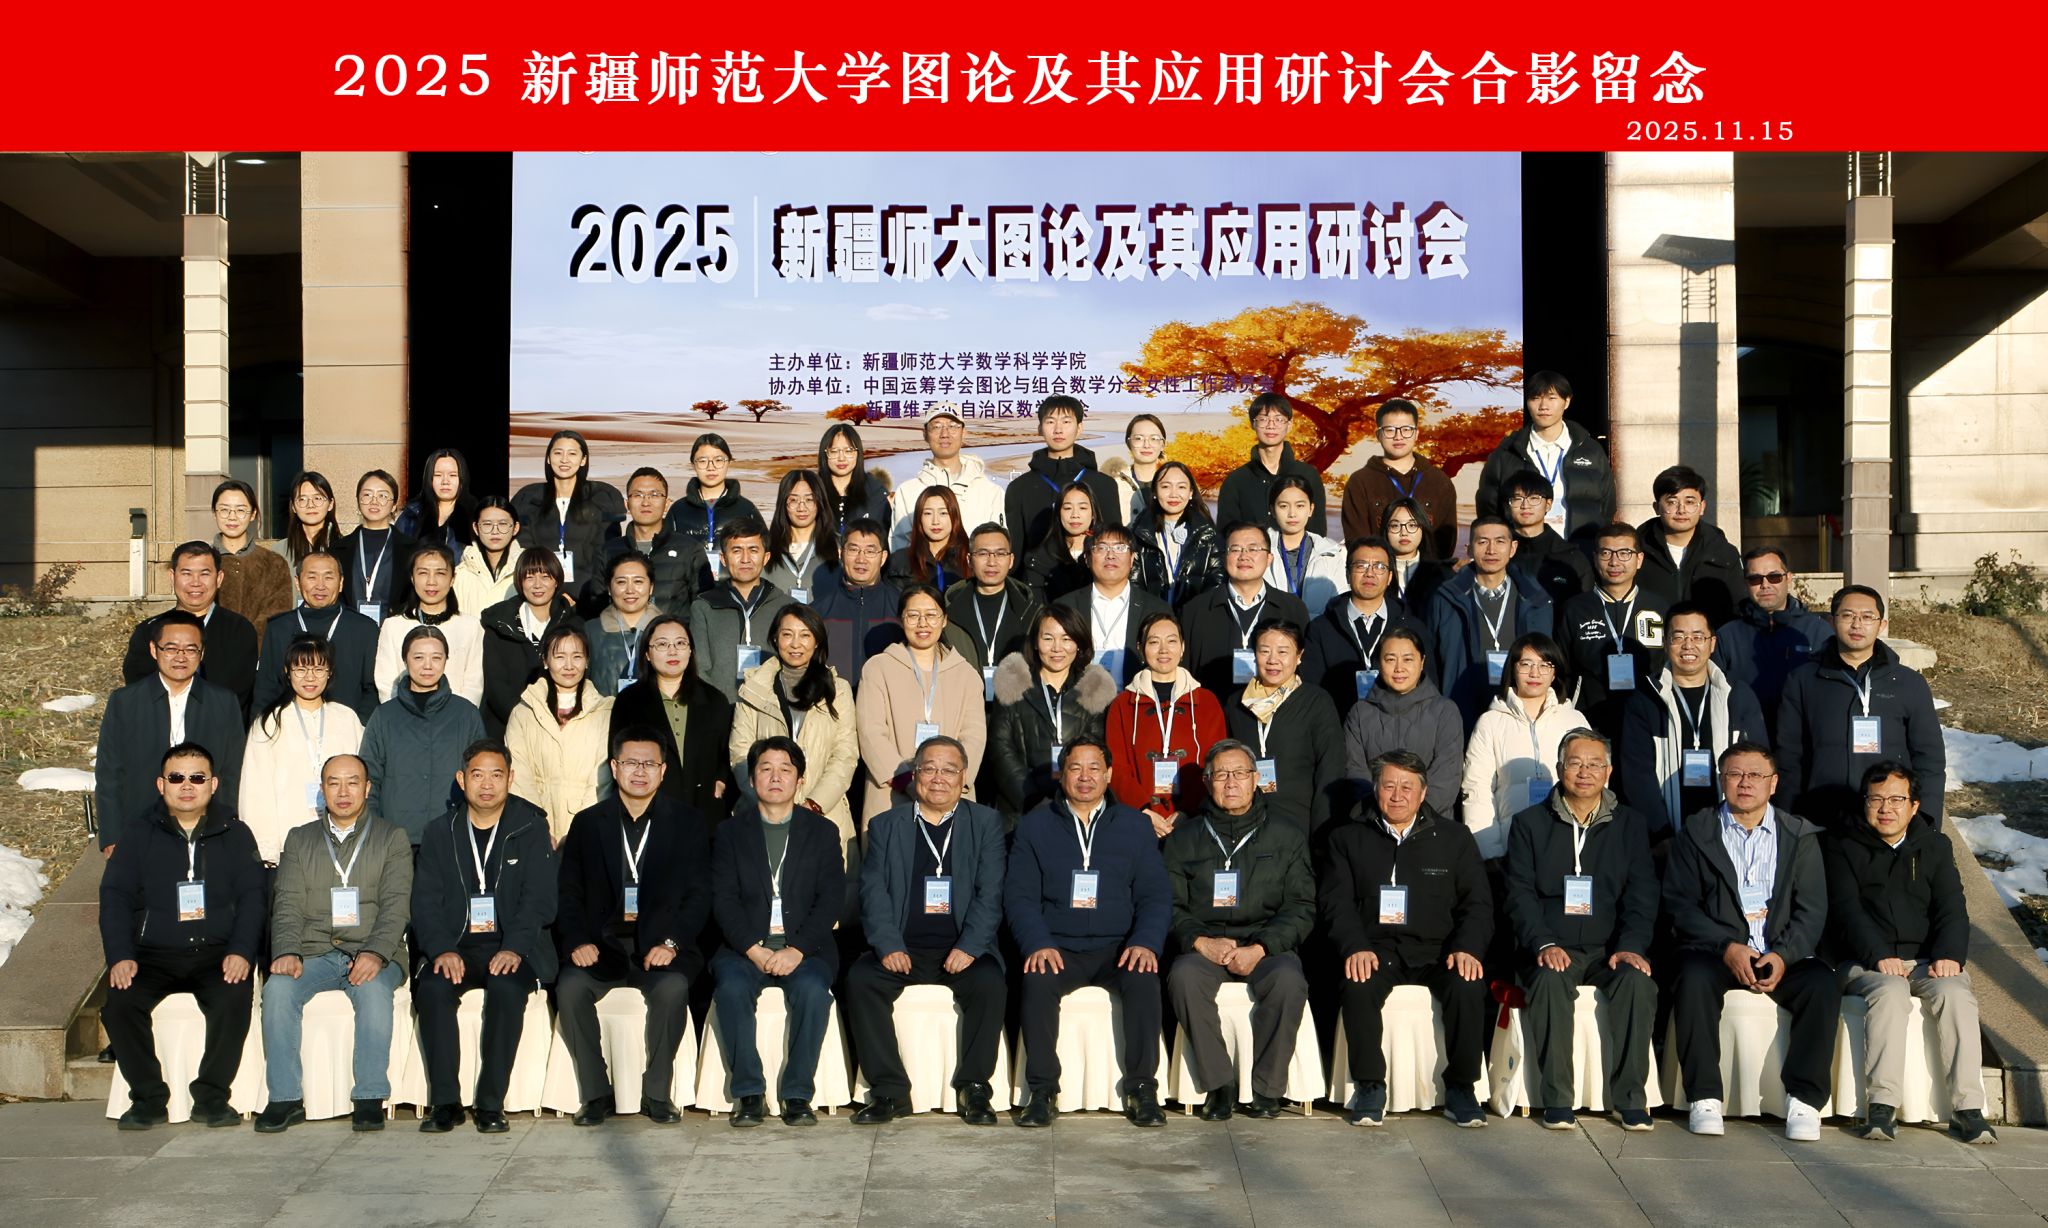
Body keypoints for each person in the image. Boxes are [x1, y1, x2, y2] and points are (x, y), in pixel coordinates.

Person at [1665, 742, 1838, 1140]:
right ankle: (1705, 1097)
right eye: (1735, 774)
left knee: (1822, 984)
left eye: (1755, 775)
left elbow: (1812, 910)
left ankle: (1804, 1100)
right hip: (1716, 952)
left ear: (1773, 783)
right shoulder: (1696, 833)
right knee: (1692, 978)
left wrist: (1784, 955)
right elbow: (1680, 905)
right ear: (1721, 780)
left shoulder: (1798, 835)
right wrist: (1727, 947)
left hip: (1779, 952)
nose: (1745, 783)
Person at [1824, 762, 1994, 1144]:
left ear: (1914, 805)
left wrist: (1948, 954)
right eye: (1876, 799)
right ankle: (1882, 1106)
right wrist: (1878, 954)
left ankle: (1968, 1109)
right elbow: (1846, 910)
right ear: (1865, 803)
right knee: (1891, 991)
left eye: (1896, 799)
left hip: (1925, 962)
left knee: (1955, 994)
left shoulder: (1935, 846)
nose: (1886, 808)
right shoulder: (1841, 845)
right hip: (1864, 962)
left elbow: (1952, 908)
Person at [1006, 737, 1171, 1128]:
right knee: (1037, 979)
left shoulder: (1135, 825)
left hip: (1119, 948)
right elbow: (1019, 896)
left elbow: (1155, 894)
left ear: (1109, 774)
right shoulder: (1034, 826)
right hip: (1059, 947)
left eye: (1094, 767)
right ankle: (1043, 1091)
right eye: (1075, 767)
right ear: (1061, 773)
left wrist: (1145, 942)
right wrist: (1038, 943)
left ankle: (1142, 1089)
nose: (1085, 776)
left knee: (1144, 978)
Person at [1322, 750, 1493, 1127]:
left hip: (1439, 951)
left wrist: (1466, 948)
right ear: (1376, 789)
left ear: (1423, 792)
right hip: (1377, 949)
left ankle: (1461, 1087)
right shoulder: (1347, 838)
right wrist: (1355, 946)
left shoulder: (1454, 838)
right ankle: (1370, 1085)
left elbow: (1478, 903)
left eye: (1407, 787)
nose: (1397, 795)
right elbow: (1336, 903)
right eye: (1389, 786)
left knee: (1468, 984)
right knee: (1358, 982)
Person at [98, 743, 264, 1130]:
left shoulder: (236, 833)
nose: (187, 785)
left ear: (213, 784)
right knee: (120, 1004)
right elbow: (115, 897)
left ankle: (211, 1097)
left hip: (215, 953)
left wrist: (241, 950)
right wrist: (121, 955)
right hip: (152, 955)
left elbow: (253, 898)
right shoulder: (138, 833)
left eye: (197, 777)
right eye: (176, 777)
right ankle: (148, 1098)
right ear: (161, 784)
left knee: (234, 997)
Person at [1502, 729, 1660, 1131]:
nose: (1584, 772)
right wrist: (1543, 943)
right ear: (1560, 769)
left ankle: (1630, 1100)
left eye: (1594, 764)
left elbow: (1642, 895)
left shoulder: (1630, 825)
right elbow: (1518, 894)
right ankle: (1557, 1100)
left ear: (1608, 771)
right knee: (1549, 980)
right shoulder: (1529, 824)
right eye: (1575, 763)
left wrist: (1631, 946)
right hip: (1552, 947)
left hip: (1610, 950)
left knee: (1637, 983)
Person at [846, 736, 1009, 1126]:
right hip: (904, 948)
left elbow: (991, 893)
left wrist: (970, 947)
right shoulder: (886, 826)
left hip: (962, 949)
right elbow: (873, 892)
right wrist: (888, 945)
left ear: (963, 778)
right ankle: (890, 1091)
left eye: (949, 770)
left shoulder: (985, 823)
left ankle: (974, 1087)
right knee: (861, 980)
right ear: (914, 775)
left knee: (990, 983)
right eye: (929, 768)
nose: (938, 778)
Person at [554, 727, 711, 1126]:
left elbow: (699, 895)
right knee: (570, 988)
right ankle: (596, 1094)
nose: (639, 772)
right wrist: (577, 941)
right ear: (614, 767)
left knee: (673, 989)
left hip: (661, 946)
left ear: (663, 770)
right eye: (630, 763)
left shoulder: (688, 822)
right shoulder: (588, 823)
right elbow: (568, 893)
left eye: (649, 764)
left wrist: (672, 942)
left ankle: (657, 1093)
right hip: (601, 946)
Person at [255, 753, 413, 1133]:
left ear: (367, 788)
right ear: (322, 790)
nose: (343, 792)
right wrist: (287, 951)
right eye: (334, 783)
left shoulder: (391, 837)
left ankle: (370, 1097)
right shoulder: (300, 839)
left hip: (375, 950)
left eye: (352, 782)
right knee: (278, 989)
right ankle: (285, 1098)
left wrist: (375, 952)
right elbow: (287, 903)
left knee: (373, 990)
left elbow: (396, 906)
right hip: (315, 951)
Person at [411, 740, 558, 1134]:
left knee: (507, 987)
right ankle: (446, 1103)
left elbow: (540, 900)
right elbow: (425, 903)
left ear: (511, 778)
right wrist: (441, 949)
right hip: (456, 945)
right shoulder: (440, 832)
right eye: (478, 775)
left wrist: (514, 947)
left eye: (497, 775)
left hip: (514, 946)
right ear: (462, 780)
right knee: (433, 988)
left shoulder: (530, 827)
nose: (487, 784)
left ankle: (491, 1104)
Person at [1164, 740, 1316, 1120]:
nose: (1231, 782)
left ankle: (1267, 1089)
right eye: (1221, 775)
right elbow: (1169, 905)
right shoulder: (1184, 839)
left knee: (1288, 981)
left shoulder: (1286, 835)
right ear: (1207, 782)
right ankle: (1219, 1085)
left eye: (1240, 773)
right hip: (1206, 944)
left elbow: (1301, 906)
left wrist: (1261, 947)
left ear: (1255, 779)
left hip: (1266, 944)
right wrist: (1201, 942)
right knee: (1183, 977)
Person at [709, 737, 846, 1127]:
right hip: (744, 948)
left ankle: (797, 1094)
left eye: (785, 769)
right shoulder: (730, 833)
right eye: (765, 769)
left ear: (800, 780)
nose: (775, 777)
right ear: (752, 779)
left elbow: (830, 899)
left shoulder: (822, 832)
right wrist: (752, 949)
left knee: (813, 991)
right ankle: (749, 1093)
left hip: (805, 948)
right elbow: (723, 900)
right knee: (731, 989)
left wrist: (797, 949)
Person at [1777, 585, 1945, 829]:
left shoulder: (1908, 683)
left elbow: (1929, 758)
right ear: (1831, 621)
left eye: (1867, 617)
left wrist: (1926, 822)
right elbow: (1789, 756)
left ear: (1882, 625)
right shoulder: (1804, 680)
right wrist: (1789, 821)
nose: (1857, 624)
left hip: (1888, 820)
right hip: (1822, 818)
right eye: (1847, 615)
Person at [729, 606, 863, 879]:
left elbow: (845, 754)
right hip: (763, 812)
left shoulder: (838, 690)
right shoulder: (754, 688)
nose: (795, 643)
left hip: (824, 812)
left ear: (817, 641)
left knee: (821, 893)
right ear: (775, 638)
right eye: (787, 634)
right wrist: (771, 803)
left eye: (805, 635)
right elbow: (740, 754)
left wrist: (814, 804)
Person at [98, 612, 246, 855]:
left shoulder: (223, 702)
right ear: (153, 650)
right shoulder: (125, 702)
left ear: (202, 653)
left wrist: (227, 826)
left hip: (206, 829)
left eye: (190, 649)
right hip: (141, 827)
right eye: (170, 648)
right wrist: (111, 836)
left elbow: (232, 771)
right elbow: (109, 773)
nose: (180, 657)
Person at [1620, 604, 1768, 837]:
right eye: (1678, 637)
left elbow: (1758, 765)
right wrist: (1660, 835)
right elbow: (1637, 776)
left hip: (1731, 833)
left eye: (1698, 637)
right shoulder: (1646, 699)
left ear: (1712, 643)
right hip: (1668, 834)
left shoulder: (1737, 695)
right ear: (1665, 643)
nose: (1688, 645)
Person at [857, 584, 988, 822]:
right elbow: (871, 733)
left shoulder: (967, 675)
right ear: (901, 619)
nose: (922, 623)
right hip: (893, 793)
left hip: (950, 796)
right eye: (913, 615)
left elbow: (974, 736)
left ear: (944, 620)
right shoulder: (878, 668)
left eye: (931, 615)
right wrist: (907, 781)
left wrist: (946, 782)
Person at [1460, 633, 1588, 862]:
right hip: (1509, 849)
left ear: (1555, 672)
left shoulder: (1574, 720)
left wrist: (1583, 844)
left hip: (1567, 847)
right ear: (1512, 668)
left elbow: (1594, 784)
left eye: (1544, 665)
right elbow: (1477, 790)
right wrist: (1491, 852)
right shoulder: (1490, 722)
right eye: (1526, 664)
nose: (1534, 673)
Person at [239, 635, 366, 864]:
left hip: (344, 841)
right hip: (287, 844)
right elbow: (255, 791)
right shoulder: (270, 723)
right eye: (301, 669)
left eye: (318, 669)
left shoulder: (347, 718)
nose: (310, 677)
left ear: (330, 672)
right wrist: (266, 852)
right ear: (287, 672)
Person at [989, 605, 1117, 828]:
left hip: (1077, 811)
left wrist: (1071, 802)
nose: (1057, 648)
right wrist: (1031, 799)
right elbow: (1001, 749)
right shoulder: (1013, 684)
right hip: (1020, 811)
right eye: (1048, 638)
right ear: (1035, 642)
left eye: (1066, 639)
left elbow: (1096, 752)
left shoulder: (1093, 689)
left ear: (1078, 643)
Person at [359, 626, 487, 847]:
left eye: (436, 657)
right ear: (405, 660)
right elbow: (369, 779)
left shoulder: (466, 714)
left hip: (452, 837)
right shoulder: (384, 716)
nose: (428, 665)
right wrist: (376, 832)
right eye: (418, 657)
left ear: (446, 660)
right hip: (396, 839)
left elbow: (480, 776)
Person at [1104, 611, 1228, 837]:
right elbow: (1117, 767)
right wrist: (1143, 810)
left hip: (1195, 819)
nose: (1163, 650)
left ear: (1182, 647)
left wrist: (1188, 811)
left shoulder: (1206, 701)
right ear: (1141, 648)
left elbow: (1215, 762)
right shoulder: (1123, 704)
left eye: (1171, 641)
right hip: (1138, 820)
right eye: (1154, 642)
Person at [1426, 517, 1555, 732]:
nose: (1491, 550)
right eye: (1482, 542)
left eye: (1500, 541)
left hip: (1519, 711)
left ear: (1513, 548)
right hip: (1460, 708)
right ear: (1469, 548)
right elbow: (1431, 660)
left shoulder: (1535, 599)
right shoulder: (1447, 598)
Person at [1225, 620, 1346, 843]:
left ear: (1299, 656)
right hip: (1244, 827)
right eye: (1264, 651)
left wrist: (1322, 833)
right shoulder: (1236, 704)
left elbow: (1331, 769)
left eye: (1283, 652)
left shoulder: (1316, 702)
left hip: (1300, 827)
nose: (1273, 660)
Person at [608, 615, 735, 825]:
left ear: (691, 650)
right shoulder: (629, 702)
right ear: (647, 654)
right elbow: (616, 755)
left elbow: (726, 754)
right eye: (662, 644)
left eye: (680, 643)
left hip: (704, 814)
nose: (672, 651)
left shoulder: (715, 700)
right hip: (649, 813)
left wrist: (721, 782)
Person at [1555, 523, 1669, 741]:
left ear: (1639, 559)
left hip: (1648, 720)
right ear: (1595, 558)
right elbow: (1563, 670)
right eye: (1606, 553)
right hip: (1588, 720)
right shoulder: (1575, 609)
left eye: (1624, 553)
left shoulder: (1659, 608)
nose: (1614, 562)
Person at [504, 623, 616, 844]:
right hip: (534, 831)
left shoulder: (605, 712)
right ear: (546, 661)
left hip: (588, 830)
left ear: (587, 661)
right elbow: (519, 775)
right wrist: (537, 827)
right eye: (559, 657)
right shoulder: (524, 712)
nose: (569, 665)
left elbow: (602, 780)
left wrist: (580, 829)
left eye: (577, 657)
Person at [122, 540, 259, 719]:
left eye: (204, 574)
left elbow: (235, 693)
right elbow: (138, 688)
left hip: (218, 727)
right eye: (186, 573)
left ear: (219, 578)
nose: (195, 583)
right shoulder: (149, 631)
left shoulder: (239, 630)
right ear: (172, 577)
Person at [1475, 371, 1617, 543]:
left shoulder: (1590, 450)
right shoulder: (1505, 453)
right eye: (1535, 398)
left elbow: (1607, 506)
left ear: (1567, 401)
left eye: (1552, 398)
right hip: (1522, 551)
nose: (1543, 406)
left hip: (1578, 550)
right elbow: (1489, 509)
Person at [1712, 546, 1833, 744]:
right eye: (1755, 579)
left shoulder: (1818, 632)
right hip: (1746, 746)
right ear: (1746, 583)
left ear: (1789, 578)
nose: (1765, 585)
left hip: (1804, 744)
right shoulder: (1726, 635)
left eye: (1774, 577)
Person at [1343, 627, 1464, 819]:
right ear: (1379, 663)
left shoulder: (1444, 711)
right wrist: (1381, 817)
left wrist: (1412, 820)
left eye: (1408, 659)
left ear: (1422, 661)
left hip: (1431, 823)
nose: (1399, 668)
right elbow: (1355, 772)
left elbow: (1447, 777)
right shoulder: (1360, 713)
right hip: (1374, 822)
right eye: (1390, 659)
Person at [1180, 522, 1312, 696]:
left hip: (1277, 709)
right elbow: (1184, 673)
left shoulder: (1292, 609)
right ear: (1224, 557)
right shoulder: (1196, 610)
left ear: (1269, 558)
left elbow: (1304, 671)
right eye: (1235, 549)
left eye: (1253, 549)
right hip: (1212, 709)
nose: (1244, 556)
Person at [1301, 535, 1424, 721]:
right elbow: (1312, 693)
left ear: (1390, 577)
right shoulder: (1321, 629)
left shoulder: (1412, 628)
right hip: (1340, 728)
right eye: (1361, 565)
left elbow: (1427, 690)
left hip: (1401, 728)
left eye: (1379, 567)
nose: (1370, 573)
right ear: (1347, 574)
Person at [252, 550, 380, 721]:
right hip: (289, 728)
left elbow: (372, 690)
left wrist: (356, 727)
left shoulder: (364, 628)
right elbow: (266, 688)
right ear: (297, 582)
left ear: (341, 583)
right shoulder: (278, 628)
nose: (320, 586)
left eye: (328, 577)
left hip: (347, 730)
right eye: (312, 577)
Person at [478, 548, 585, 738]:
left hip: (561, 728)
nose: (537, 585)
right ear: (520, 582)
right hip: (507, 728)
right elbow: (496, 686)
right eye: (529, 577)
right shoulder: (499, 624)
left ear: (556, 580)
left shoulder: (573, 625)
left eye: (545, 577)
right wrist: (524, 720)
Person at [688, 516, 793, 703]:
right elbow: (700, 669)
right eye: (736, 551)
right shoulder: (703, 606)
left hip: (771, 710)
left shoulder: (787, 607)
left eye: (753, 550)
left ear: (766, 557)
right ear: (723, 558)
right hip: (720, 709)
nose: (745, 559)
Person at [1005, 394, 1124, 555]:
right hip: (1037, 571)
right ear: (1040, 428)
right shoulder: (1019, 488)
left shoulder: (1104, 485)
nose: (1058, 429)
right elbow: (1016, 551)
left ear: (1079, 428)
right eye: (1050, 422)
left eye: (1066, 422)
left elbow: (1115, 545)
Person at [1055, 525, 1171, 684]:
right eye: (1101, 548)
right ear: (1087, 558)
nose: (1110, 555)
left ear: (1132, 558)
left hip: (1136, 697)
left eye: (1120, 548)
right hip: (1077, 697)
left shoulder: (1156, 610)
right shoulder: (1065, 607)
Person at [1341, 399, 1458, 558]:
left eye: (1406, 429)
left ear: (1416, 434)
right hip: (1377, 570)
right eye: (1390, 430)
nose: (1398, 436)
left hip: (1428, 571)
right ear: (1378, 435)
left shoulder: (1439, 481)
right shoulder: (1360, 482)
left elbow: (1446, 540)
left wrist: (1429, 570)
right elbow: (1357, 540)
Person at [373, 543, 485, 706]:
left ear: (452, 579)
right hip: (403, 717)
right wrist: (404, 715)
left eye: (440, 573)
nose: (431, 581)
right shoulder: (393, 626)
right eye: (423, 573)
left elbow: (473, 685)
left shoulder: (471, 627)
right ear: (412, 578)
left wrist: (458, 716)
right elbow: (386, 684)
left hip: (457, 717)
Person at [511, 429, 625, 589]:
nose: (564, 460)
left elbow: (606, 552)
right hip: (541, 589)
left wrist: (582, 592)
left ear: (583, 460)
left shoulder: (601, 497)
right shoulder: (529, 498)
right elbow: (525, 551)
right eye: (558, 453)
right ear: (548, 458)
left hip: (588, 592)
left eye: (572, 453)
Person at [584, 468, 704, 619]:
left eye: (654, 495)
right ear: (627, 504)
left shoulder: (690, 549)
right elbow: (598, 607)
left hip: (672, 633)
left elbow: (701, 607)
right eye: (638, 495)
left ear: (667, 503)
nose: (646, 502)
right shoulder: (608, 551)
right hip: (621, 633)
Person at [1635, 465, 1745, 628]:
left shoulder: (1723, 553)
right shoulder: (1635, 552)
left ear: (1702, 507)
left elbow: (1738, 609)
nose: (1681, 510)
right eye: (1672, 502)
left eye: (1690, 502)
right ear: (1657, 507)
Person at [887, 407, 1002, 550]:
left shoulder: (990, 492)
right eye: (936, 426)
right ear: (925, 434)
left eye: (952, 426)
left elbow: (999, 546)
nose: (945, 434)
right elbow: (898, 547)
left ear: (963, 432)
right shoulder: (907, 491)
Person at [940, 522, 1037, 687]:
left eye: (1000, 553)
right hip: (964, 699)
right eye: (983, 553)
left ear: (1011, 560)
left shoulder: (1031, 611)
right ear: (969, 560)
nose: (992, 562)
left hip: (1018, 700)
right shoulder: (948, 612)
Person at [1216, 393, 1328, 532]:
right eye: (1263, 419)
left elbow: (1317, 531)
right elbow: (1226, 534)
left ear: (1289, 425)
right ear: (1253, 424)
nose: (1271, 425)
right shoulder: (1236, 480)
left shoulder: (1308, 475)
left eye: (1279, 419)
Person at [811, 517, 903, 685]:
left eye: (870, 551)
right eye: (853, 550)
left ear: (883, 557)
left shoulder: (901, 608)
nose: (861, 559)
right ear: (841, 553)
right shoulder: (818, 611)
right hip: (833, 699)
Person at [664, 433, 762, 575]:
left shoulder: (746, 509)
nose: (711, 467)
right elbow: (665, 556)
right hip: (689, 587)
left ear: (728, 462)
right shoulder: (678, 510)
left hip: (734, 586)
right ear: (693, 464)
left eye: (718, 460)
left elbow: (762, 553)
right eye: (703, 461)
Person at [1131, 460, 1222, 610]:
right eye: (1166, 486)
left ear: (1191, 493)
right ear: (1155, 492)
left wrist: (1195, 617)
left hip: (1195, 618)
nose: (1174, 494)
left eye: (1181, 487)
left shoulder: (1208, 535)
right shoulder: (1140, 535)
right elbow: (1134, 585)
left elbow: (1216, 584)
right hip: (1151, 617)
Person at [210, 478, 292, 638]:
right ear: (214, 513)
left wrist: (248, 642)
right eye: (224, 510)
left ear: (253, 514)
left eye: (240, 510)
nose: (232, 517)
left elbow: (278, 613)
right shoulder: (203, 561)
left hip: (260, 650)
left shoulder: (273, 563)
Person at [1500, 468, 1594, 606]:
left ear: (1548, 505)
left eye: (1534, 498)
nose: (1525, 505)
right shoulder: (1496, 553)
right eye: (1517, 499)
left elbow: (1583, 609)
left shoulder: (1571, 557)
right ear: (1507, 507)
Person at [334, 469, 416, 624]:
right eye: (367, 495)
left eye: (383, 496)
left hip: (395, 631)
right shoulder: (338, 549)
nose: (374, 501)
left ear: (394, 505)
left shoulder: (412, 550)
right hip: (349, 630)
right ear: (358, 501)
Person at [1264, 475, 1348, 612]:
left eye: (1300, 506)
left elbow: (1341, 603)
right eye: (1283, 506)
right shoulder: (1259, 550)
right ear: (1273, 510)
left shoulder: (1331, 552)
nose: (1292, 514)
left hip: (1317, 625)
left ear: (1311, 509)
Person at [584, 553, 663, 698]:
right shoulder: (590, 630)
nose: (630, 590)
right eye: (621, 582)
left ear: (651, 587)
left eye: (638, 581)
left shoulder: (669, 631)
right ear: (609, 588)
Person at [764, 469, 838, 602]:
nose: (801, 508)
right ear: (783, 503)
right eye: (793, 500)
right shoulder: (765, 548)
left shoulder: (840, 546)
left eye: (809, 499)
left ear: (820, 502)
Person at [1020, 481, 1101, 602]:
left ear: (1093, 513)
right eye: (1068, 508)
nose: (1075, 515)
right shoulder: (1039, 559)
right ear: (1058, 513)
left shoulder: (1107, 552)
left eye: (1083, 508)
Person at [888, 485, 971, 594]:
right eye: (928, 513)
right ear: (919, 518)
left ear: (954, 516)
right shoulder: (900, 561)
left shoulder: (970, 558)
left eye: (943, 513)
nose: (935, 521)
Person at [818, 422, 893, 540]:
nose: (841, 458)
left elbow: (888, 537)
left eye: (848, 451)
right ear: (825, 454)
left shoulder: (875, 492)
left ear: (858, 453)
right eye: (834, 451)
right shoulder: (813, 489)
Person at [394, 448, 477, 552]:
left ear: (462, 479)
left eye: (452, 475)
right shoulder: (411, 514)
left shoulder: (475, 515)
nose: (445, 481)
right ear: (430, 479)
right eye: (438, 475)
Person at [452, 495, 523, 617]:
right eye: (487, 524)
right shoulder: (460, 575)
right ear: (476, 528)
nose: (495, 531)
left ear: (515, 528)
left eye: (503, 524)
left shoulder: (527, 569)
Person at [1382, 497, 1454, 613]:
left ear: (1422, 528)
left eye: (1412, 525)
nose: (1404, 532)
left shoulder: (1440, 575)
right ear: (1385, 530)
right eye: (1395, 526)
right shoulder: (1375, 571)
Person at [270, 470, 342, 579]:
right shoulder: (279, 551)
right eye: (302, 499)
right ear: (293, 507)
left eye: (317, 498)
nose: (310, 505)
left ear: (330, 504)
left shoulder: (345, 548)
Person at [1111, 412, 1168, 523]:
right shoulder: (1114, 485)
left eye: (1154, 438)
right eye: (1138, 438)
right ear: (1128, 443)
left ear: (1163, 444)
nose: (1146, 445)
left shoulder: (1177, 483)